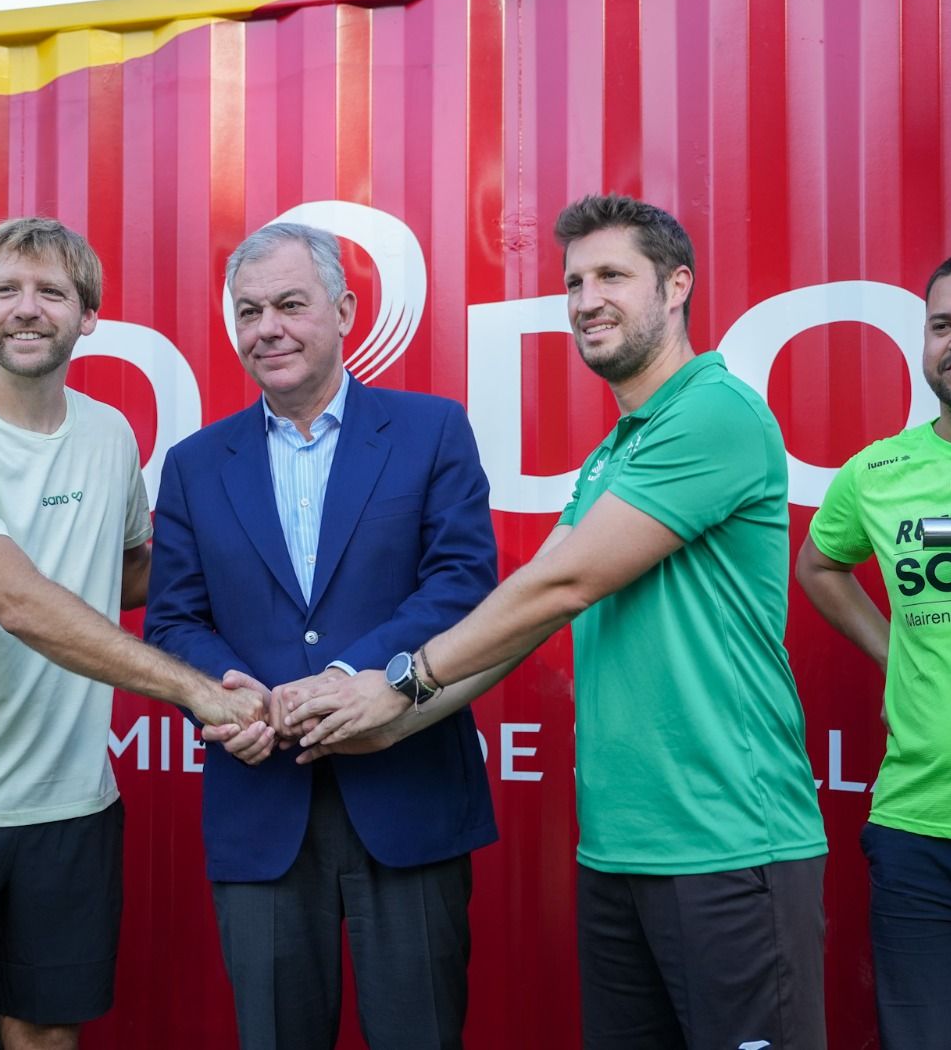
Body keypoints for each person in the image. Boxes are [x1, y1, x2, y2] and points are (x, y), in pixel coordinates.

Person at [282, 195, 828, 1050]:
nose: (585, 299)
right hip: (618, 850)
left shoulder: (715, 413)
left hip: (728, 843)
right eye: (574, 281)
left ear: (676, 286)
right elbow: (529, 608)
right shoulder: (616, 451)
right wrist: (390, 726)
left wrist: (398, 683)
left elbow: (563, 585)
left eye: (612, 275)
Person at [0, 216, 264, 1050]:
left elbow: (131, 571)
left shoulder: (110, 435)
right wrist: (193, 687)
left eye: (51, 293)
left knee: (43, 1036)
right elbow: (18, 601)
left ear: (88, 318)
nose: (27, 310)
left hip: (71, 803)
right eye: (7, 292)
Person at [143, 222, 499, 1050]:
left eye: (290, 305)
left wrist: (349, 674)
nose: (267, 327)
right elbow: (173, 619)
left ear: (343, 311)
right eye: (249, 310)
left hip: (408, 797)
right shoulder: (197, 463)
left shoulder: (431, 430)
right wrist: (227, 685)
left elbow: (460, 585)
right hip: (259, 801)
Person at [797, 246, 951, 1049]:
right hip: (921, 836)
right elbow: (821, 563)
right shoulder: (877, 473)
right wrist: (892, 647)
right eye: (942, 325)